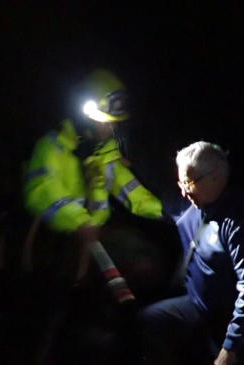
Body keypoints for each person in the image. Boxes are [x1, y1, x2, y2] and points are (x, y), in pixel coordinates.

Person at [137, 141, 244, 365]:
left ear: (215, 177)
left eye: (189, 182)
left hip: (226, 319)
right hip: (196, 304)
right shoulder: (190, 205)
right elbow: (149, 179)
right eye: (181, 182)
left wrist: (230, 347)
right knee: (151, 320)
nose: (183, 190)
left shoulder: (241, 224)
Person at [22, 68, 164, 304]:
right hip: (57, 241)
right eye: (103, 123)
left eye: (113, 124)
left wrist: (168, 211)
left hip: (95, 241)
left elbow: (131, 191)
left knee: (148, 260)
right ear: (84, 118)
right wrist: (79, 221)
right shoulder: (52, 147)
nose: (109, 130)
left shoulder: (104, 153)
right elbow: (39, 190)